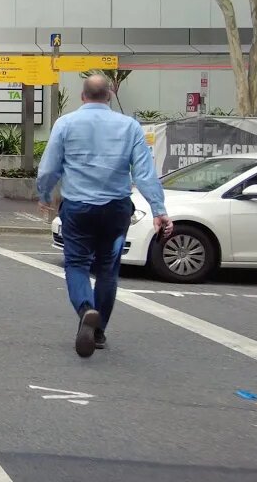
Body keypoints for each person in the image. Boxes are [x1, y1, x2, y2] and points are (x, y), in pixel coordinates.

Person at [37, 74, 171, 358]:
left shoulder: (66, 123)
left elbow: (49, 168)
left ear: (82, 97)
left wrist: (45, 194)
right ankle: (98, 332)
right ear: (109, 95)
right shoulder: (129, 126)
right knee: (108, 269)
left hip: (77, 208)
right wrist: (159, 210)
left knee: (76, 264)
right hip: (116, 208)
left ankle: (87, 310)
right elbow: (144, 173)